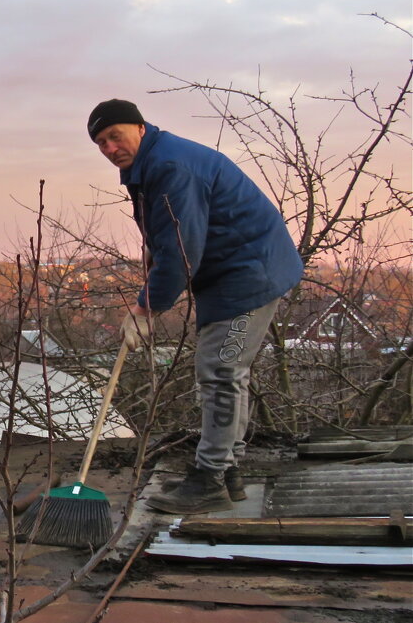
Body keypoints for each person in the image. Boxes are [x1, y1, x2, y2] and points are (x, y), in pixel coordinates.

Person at [88, 99, 303, 514]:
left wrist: (148, 307)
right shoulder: (153, 162)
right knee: (226, 371)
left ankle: (209, 481)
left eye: (115, 136)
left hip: (249, 274)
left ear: (139, 127)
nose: (110, 148)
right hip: (233, 271)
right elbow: (166, 233)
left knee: (221, 370)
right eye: (100, 143)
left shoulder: (171, 166)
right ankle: (227, 473)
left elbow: (183, 250)